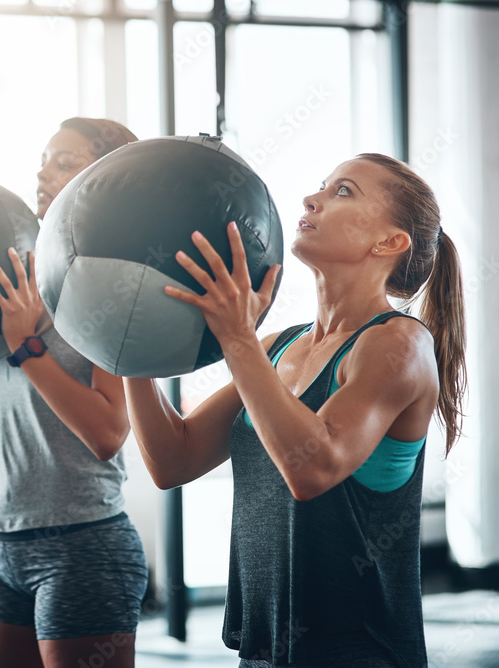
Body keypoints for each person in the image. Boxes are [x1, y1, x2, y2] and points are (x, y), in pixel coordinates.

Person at [123, 153, 466, 667]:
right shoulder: (278, 346)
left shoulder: (398, 345)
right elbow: (174, 459)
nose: (312, 199)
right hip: (265, 649)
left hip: (357, 652)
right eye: (321, 186)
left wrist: (237, 337)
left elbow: (314, 467)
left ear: (390, 242)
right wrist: (128, 350)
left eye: (343, 191)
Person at [0, 118, 148, 667]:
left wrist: (26, 346)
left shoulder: (105, 291)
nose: (42, 172)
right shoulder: (20, 287)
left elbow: (107, 432)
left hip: (84, 544)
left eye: (63, 162)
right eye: (44, 160)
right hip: (3, 542)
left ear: (102, 180)